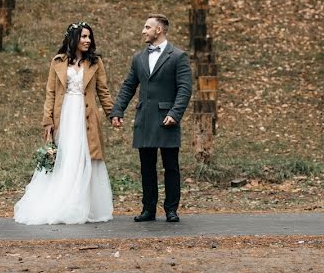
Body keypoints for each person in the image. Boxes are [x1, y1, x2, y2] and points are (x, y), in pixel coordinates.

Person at [14, 22, 115, 225]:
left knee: (86, 158)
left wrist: (113, 114)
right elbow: (50, 93)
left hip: (86, 116)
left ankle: (84, 205)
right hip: (65, 116)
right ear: (73, 38)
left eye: (89, 37)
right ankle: (63, 202)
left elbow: (103, 91)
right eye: (83, 37)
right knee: (65, 158)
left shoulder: (95, 62)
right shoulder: (58, 62)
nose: (87, 41)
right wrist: (47, 120)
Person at [110, 14, 192, 222]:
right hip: (145, 118)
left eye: (147, 27)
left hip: (167, 119)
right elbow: (129, 86)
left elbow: (184, 89)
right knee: (147, 167)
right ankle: (149, 209)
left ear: (159, 30)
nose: (143, 31)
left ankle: (171, 210)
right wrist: (117, 111)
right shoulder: (138, 58)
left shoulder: (178, 56)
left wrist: (175, 113)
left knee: (170, 166)